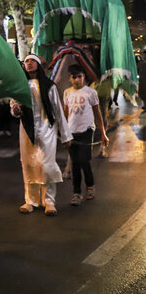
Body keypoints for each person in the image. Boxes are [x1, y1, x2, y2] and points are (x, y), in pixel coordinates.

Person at [11, 54, 72, 216]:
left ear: (38, 64)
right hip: (26, 130)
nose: (29, 63)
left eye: (32, 61)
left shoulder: (49, 86)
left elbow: (58, 111)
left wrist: (66, 136)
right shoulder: (20, 86)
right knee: (29, 164)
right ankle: (30, 201)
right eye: (26, 61)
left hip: (47, 129)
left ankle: (49, 201)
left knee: (46, 164)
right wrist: (15, 110)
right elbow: (14, 106)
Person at [63, 65, 108, 206]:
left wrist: (103, 133)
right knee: (74, 164)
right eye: (74, 77)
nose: (77, 80)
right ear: (69, 79)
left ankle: (90, 186)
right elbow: (65, 113)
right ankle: (76, 193)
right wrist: (64, 132)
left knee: (84, 160)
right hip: (71, 132)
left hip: (87, 131)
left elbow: (97, 113)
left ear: (84, 77)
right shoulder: (67, 93)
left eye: (80, 76)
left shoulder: (91, 93)